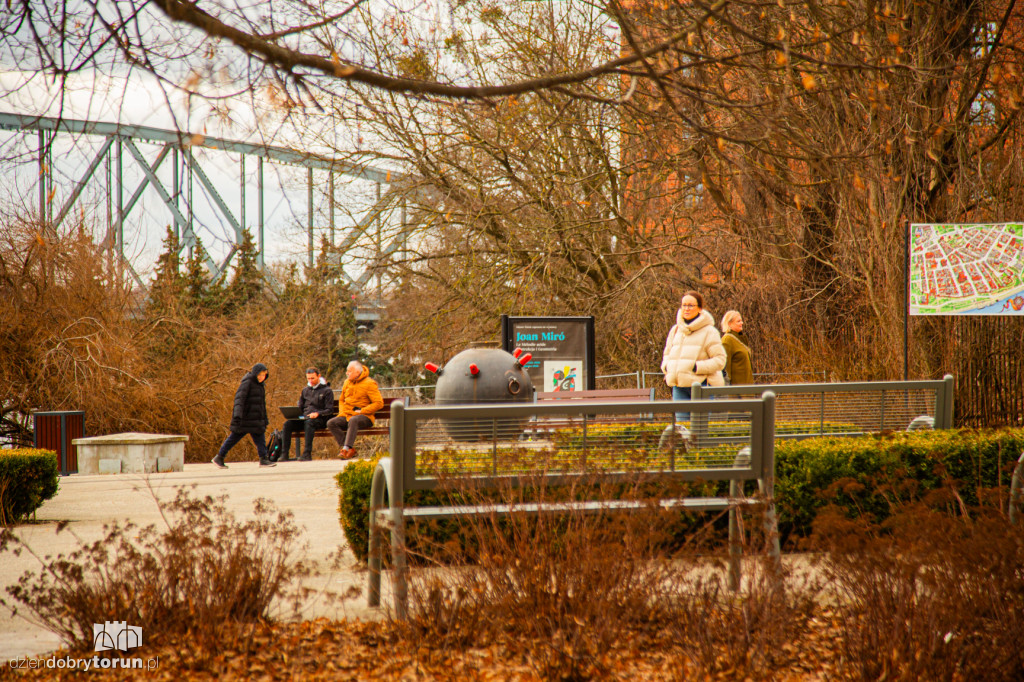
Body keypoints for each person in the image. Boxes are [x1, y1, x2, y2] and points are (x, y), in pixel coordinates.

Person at [661, 291, 726, 422]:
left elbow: (720, 360)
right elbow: (667, 354)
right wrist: (667, 367)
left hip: (701, 387)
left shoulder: (709, 331)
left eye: (690, 305)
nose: (686, 308)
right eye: (684, 305)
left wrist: (697, 367)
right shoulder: (675, 330)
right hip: (679, 388)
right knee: (682, 430)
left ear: (700, 308)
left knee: (700, 430)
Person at [212, 362, 276, 468]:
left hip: (255, 419)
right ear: (255, 374)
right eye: (259, 375)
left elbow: (261, 405)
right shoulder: (248, 382)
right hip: (245, 419)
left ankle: (263, 459)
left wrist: (264, 419)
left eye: (264, 375)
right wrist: (237, 415)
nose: (261, 377)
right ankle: (219, 457)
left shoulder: (260, 386)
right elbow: (239, 399)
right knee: (234, 438)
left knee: (260, 437)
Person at [277, 367, 337, 462]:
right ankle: (284, 454)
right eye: (308, 378)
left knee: (309, 423)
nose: (310, 381)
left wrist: (318, 413)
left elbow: (329, 410)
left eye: (312, 378)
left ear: (319, 376)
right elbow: (300, 407)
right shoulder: (305, 390)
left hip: (320, 419)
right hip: (305, 418)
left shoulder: (327, 391)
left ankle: (307, 454)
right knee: (287, 424)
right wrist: (294, 414)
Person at [326, 360, 384, 459]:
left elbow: (379, 403)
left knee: (354, 420)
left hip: (365, 417)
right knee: (331, 423)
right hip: (347, 415)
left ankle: (345, 449)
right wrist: (341, 412)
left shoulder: (370, 383)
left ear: (357, 372)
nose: (347, 373)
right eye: (347, 371)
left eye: (350, 371)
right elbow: (341, 400)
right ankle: (350, 450)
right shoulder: (346, 382)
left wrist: (362, 411)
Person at [720, 310, 754, 385]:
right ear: (729, 324)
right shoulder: (727, 340)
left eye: (741, 321)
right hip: (736, 392)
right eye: (738, 321)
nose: (742, 323)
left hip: (746, 388)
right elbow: (725, 370)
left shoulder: (740, 339)